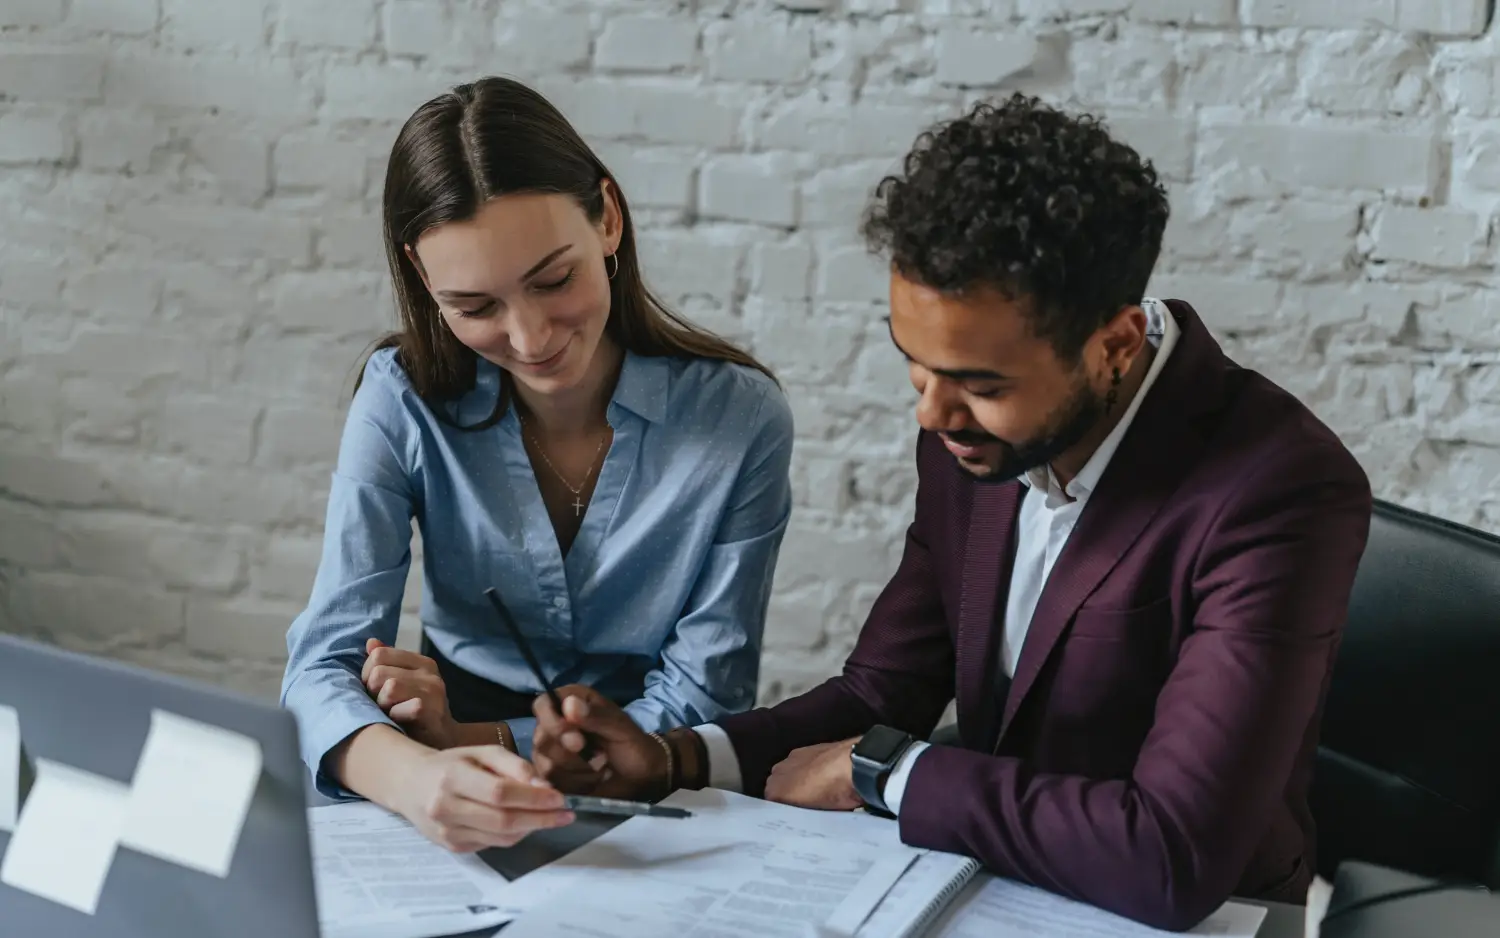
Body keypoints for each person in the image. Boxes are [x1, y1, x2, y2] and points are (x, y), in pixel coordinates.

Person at [528, 93, 1374, 931]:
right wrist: (676, 759)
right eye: (916, 366)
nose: (932, 415)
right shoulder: (970, 437)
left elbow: (1172, 853)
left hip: (1201, 916)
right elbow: (884, 689)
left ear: (1114, 344)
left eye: (981, 385)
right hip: (989, 885)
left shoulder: (1281, 489)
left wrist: (888, 774)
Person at [278, 76, 794, 853]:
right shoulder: (400, 399)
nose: (529, 338)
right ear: (424, 278)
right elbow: (321, 666)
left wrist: (468, 737)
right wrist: (417, 774)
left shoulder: (740, 418)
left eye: (554, 281)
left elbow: (704, 697)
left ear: (608, 219)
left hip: (652, 786)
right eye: (475, 307)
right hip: (445, 794)